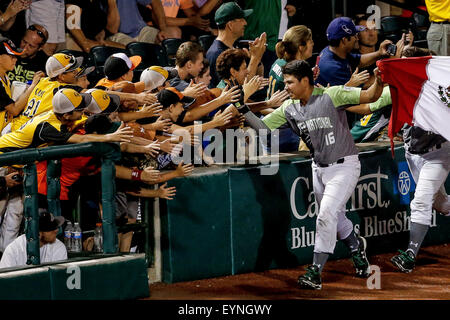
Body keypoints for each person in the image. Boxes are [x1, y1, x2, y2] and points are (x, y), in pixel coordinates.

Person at [238, 60, 384, 289]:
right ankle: (357, 248)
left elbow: (370, 97)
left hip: (344, 165)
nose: (285, 87)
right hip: (319, 168)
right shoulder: (289, 107)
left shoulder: (332, 94)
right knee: (336, 218)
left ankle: (315, 271)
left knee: (326, 214)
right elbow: (264, 128)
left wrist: (380, 80)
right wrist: (242, 108)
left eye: (290, 82)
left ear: (305, 80)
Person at [0, 88, 133, 154]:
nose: (83, 112)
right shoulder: (51, 127)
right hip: (4, 154)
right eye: (79, 110)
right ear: (67, 116)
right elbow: (82, 140)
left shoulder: (55, 114)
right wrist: (110, 137)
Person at [206, 1, 266, 88]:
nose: (245, 23)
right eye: (241, 19)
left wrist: (256, 58)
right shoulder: (217, 54)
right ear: (230, 25)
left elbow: (259, 78)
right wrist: (255, 59)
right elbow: (238, 92)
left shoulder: (235, 47)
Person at [0, 211, 67, 268]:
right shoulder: (14, 249)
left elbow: (58, 278)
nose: (56, 231)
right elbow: (4, 280)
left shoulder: (58, 247)